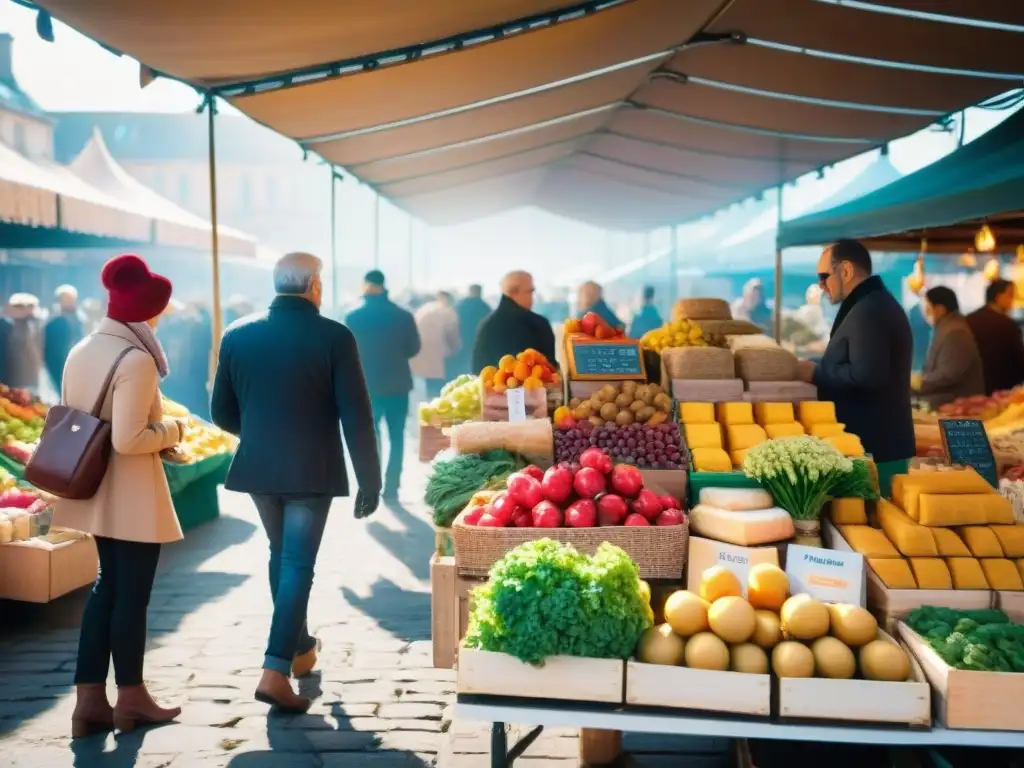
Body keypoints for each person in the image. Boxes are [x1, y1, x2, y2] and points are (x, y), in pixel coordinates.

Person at [211, 252, 381, 713]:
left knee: (281, 556)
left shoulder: (238, 333)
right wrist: (371, 478)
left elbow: (220, 411)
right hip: (311, 468)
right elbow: (357, 415)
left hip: (261, 467)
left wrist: (262, 434)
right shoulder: (334, 336)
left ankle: (301, 648)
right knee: (296, 564)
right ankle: (274, 668)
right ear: (314, 286)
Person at [53, 254, 186, 737]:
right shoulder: (136, 359)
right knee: (131, 596)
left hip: (91, 488)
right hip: (129, 495)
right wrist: (171, 429)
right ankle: (132, 697)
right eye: (157, 309)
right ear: (144, 311)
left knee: (106, 591)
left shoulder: (83, 347)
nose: (160, 317)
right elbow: (128, 440)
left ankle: (89, 701)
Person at [797, 239, 914, 495]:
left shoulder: (870, 310)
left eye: (823, 276)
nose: (820, 285)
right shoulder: (870, 304)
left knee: (877, 528)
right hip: (873, 448)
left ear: (846, 271)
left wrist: (815, 372)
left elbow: (867, 375)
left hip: (877, 451)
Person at [345, 270, 420, 501]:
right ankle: (392, 487)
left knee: (371, 436)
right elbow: (413, 349)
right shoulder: (403, 315)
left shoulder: (354, 317)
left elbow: (345, 352)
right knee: (397, 436)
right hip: (398, 384)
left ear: (366, 285)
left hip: (367, 386)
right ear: (384, 285)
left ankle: (372, 485)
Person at [915, 286, 985, 409]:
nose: (924, 313)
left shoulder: (956, 332)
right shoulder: (945, 328)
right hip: (947, 405)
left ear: (940, 309)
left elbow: (949, 374)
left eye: (927, 308)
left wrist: (920, 382)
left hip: (959, 409)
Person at [472, 271, 557, 372]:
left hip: (494, 386)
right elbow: (551, 368)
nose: (532, 296)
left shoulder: (487, 325)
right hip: (535, 386)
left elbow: (478, 369)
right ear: (513, 292)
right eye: (530, 291)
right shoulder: (538, 324)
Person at [967, 279, 1024, 394]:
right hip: (1002, 389)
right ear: (998, 297)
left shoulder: (969, 320)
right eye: (1010, 295)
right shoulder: (1007, 324)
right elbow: (1020, 359)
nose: (1012, 301)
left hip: (971, 386)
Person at [411, 291, 461, 397]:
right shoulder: (448, 311)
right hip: (442, 360)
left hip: (423, 359)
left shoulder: (422, 310)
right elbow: (453, 338)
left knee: (431, 392)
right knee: (444, 392)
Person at [43, 284, 85, 390]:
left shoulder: (81, 319)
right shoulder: (53, 322)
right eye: (65, 299)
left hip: (80, 364)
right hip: (60, 366)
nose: (69, 302)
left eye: (71, 299)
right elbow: (48, 348)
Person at [449, 285, 491, 377]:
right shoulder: (485, 307)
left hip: (461, 339)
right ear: (480, 292)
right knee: (474, 366)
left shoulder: (459, 305)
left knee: (460, 367)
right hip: (477, 340)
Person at [5, 293, 43, 390]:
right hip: (11, 377)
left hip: (30, 377)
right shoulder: (5, 326)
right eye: (18, 307)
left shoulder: (36, 325)